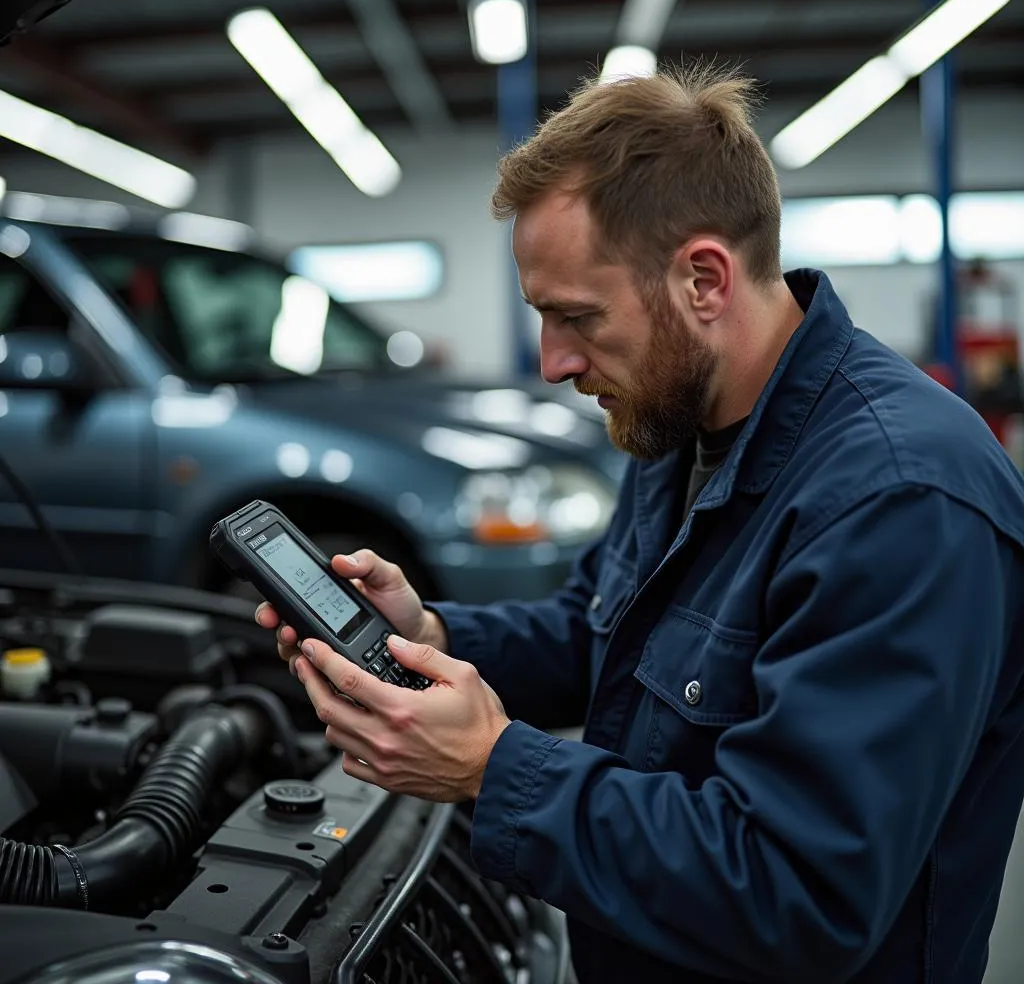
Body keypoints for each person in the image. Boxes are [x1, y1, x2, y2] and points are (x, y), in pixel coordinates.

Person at [255, 65, 1024, 983]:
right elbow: (598, 634)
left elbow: (801, 890)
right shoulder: (676, 426)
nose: (550, 362)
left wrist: (494, 769)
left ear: (703, 279)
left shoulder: (901, 500)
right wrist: (428, 635)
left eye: (575, 316)